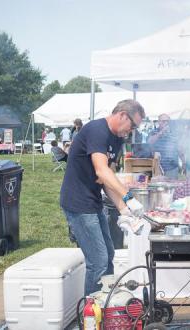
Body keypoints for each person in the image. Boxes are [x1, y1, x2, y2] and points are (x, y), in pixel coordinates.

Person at [60, 99, 146, 296]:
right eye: (132, 125)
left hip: (93, 201)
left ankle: (106, 304)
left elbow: (105, 178)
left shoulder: (117, 139)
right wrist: (128, 197)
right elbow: (101, 169)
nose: (131, 130)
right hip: (77, 202)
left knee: (108, 255)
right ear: (123, 115)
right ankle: (91, 316)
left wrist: (124, 210)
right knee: (97, 261)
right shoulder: (97, 130)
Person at [148, 114, 181, 179]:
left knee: (172, 187)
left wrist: (183, 162)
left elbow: (179, 148)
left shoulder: (174, 133)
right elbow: (149, 142)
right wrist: (161, 132)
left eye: (167, 121)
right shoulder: (153, 132)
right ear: (159, 122)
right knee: (158, 188)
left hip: (172, 168)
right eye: (163, 121)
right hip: (158, 167)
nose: (166, 123)